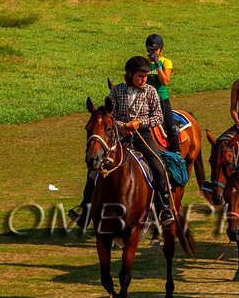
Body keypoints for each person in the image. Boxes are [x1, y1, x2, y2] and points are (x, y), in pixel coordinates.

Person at [73, 56, 175, 228]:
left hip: (143, 135)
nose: (143, 80)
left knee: (158, 166)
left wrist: (139, 123)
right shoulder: (117, 91)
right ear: (129, 75)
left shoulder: (151, 91)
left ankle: (163, 208)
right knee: (95, 169)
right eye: (140, 76)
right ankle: (85, 209)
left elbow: (158, 116)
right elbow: (109, 117)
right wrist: (122, 127)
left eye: (145, 76)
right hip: (119, 136)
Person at [146, 33, 179, 153]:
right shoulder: (144, 62)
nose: (153, 51)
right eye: (151, 49)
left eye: (156, 49)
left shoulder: (166, 62)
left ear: (161, 49)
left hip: (161, 99)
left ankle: (176, 153)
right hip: (146, 100)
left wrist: (158, 65)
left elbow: (164, 81)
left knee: (171, 127)